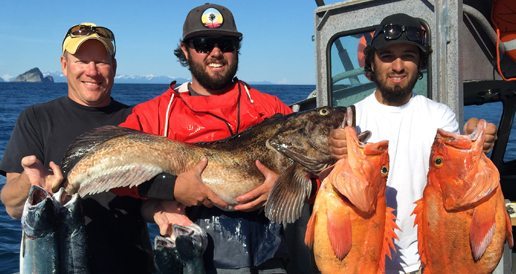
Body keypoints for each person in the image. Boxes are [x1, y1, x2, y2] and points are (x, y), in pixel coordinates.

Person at [119, 3, 293, 273]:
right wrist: (172, 189)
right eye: (203, 44)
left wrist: (284, 187)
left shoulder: (271, 110)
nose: (216, 52)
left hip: (268, 262)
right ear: (186, 51)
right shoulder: (155, 115)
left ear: (237, 49)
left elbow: (320, 177)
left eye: (226, 43)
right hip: (191, 261)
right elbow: (112, 176)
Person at [328, 13, 497, 273]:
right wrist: (328, 153)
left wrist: (476, 139)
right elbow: (327, 189)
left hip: (427, 261)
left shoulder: (439, 115)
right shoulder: (351, 119)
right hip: (368, 260)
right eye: (386, 56)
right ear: (371, 63)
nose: (398, 66)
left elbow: (457, 176)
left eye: (408, 55)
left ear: (420, 64)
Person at [0, 23, 155, 273]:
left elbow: (150, 202)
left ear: (114, 67)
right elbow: (11, 205)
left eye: (101, 61)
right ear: (64, 65)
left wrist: (165, 211)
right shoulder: (36, 119)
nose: (91, 71)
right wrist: (32, 184)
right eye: (81, 61)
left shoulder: (137, 121)